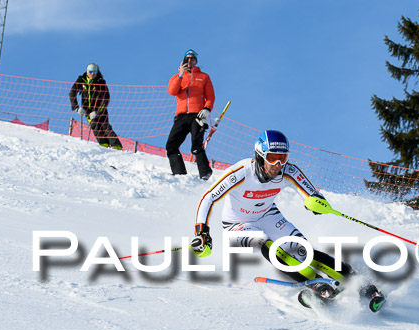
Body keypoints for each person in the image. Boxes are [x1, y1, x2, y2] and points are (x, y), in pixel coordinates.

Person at [190, 130, 385, 311]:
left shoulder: (287, 171)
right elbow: (209, 197)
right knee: (262, 241)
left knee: (301, 250)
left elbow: (310, 193)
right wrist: (202, 232)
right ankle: (317, 283)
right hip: (237, 224)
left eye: (282, 158)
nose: (278, 165)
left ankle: (359, 283)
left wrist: (316, 203)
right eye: (272, 158)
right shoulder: (241, 172)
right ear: (260, 156)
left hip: (267, 214)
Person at [165, 49, 215, 180]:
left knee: (197, 146)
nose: (189, 61)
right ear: (182, 61)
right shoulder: (176, 77)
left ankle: (205, 173)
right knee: (171, 145)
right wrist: (180, 75)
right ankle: (179, 173)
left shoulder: (204, 76)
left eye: (192, 59)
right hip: (181, 116)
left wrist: (206, 110)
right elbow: (172, 91)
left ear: (196, 61)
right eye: (187, 59)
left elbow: (210, 97)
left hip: (197, 115)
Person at [69, 63, 123, 150]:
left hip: (100, 109)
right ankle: (104, 145)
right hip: (87, 110)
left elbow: (106, 98)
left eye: (94, 72)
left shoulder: (101, 82)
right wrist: (76, 107)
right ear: (87, 72)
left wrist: (98, 112)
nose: (92, 74)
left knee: (105, 126)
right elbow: (72, 93)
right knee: (95, 126)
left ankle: (116, 145)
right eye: (90, 72)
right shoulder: (81, 80)